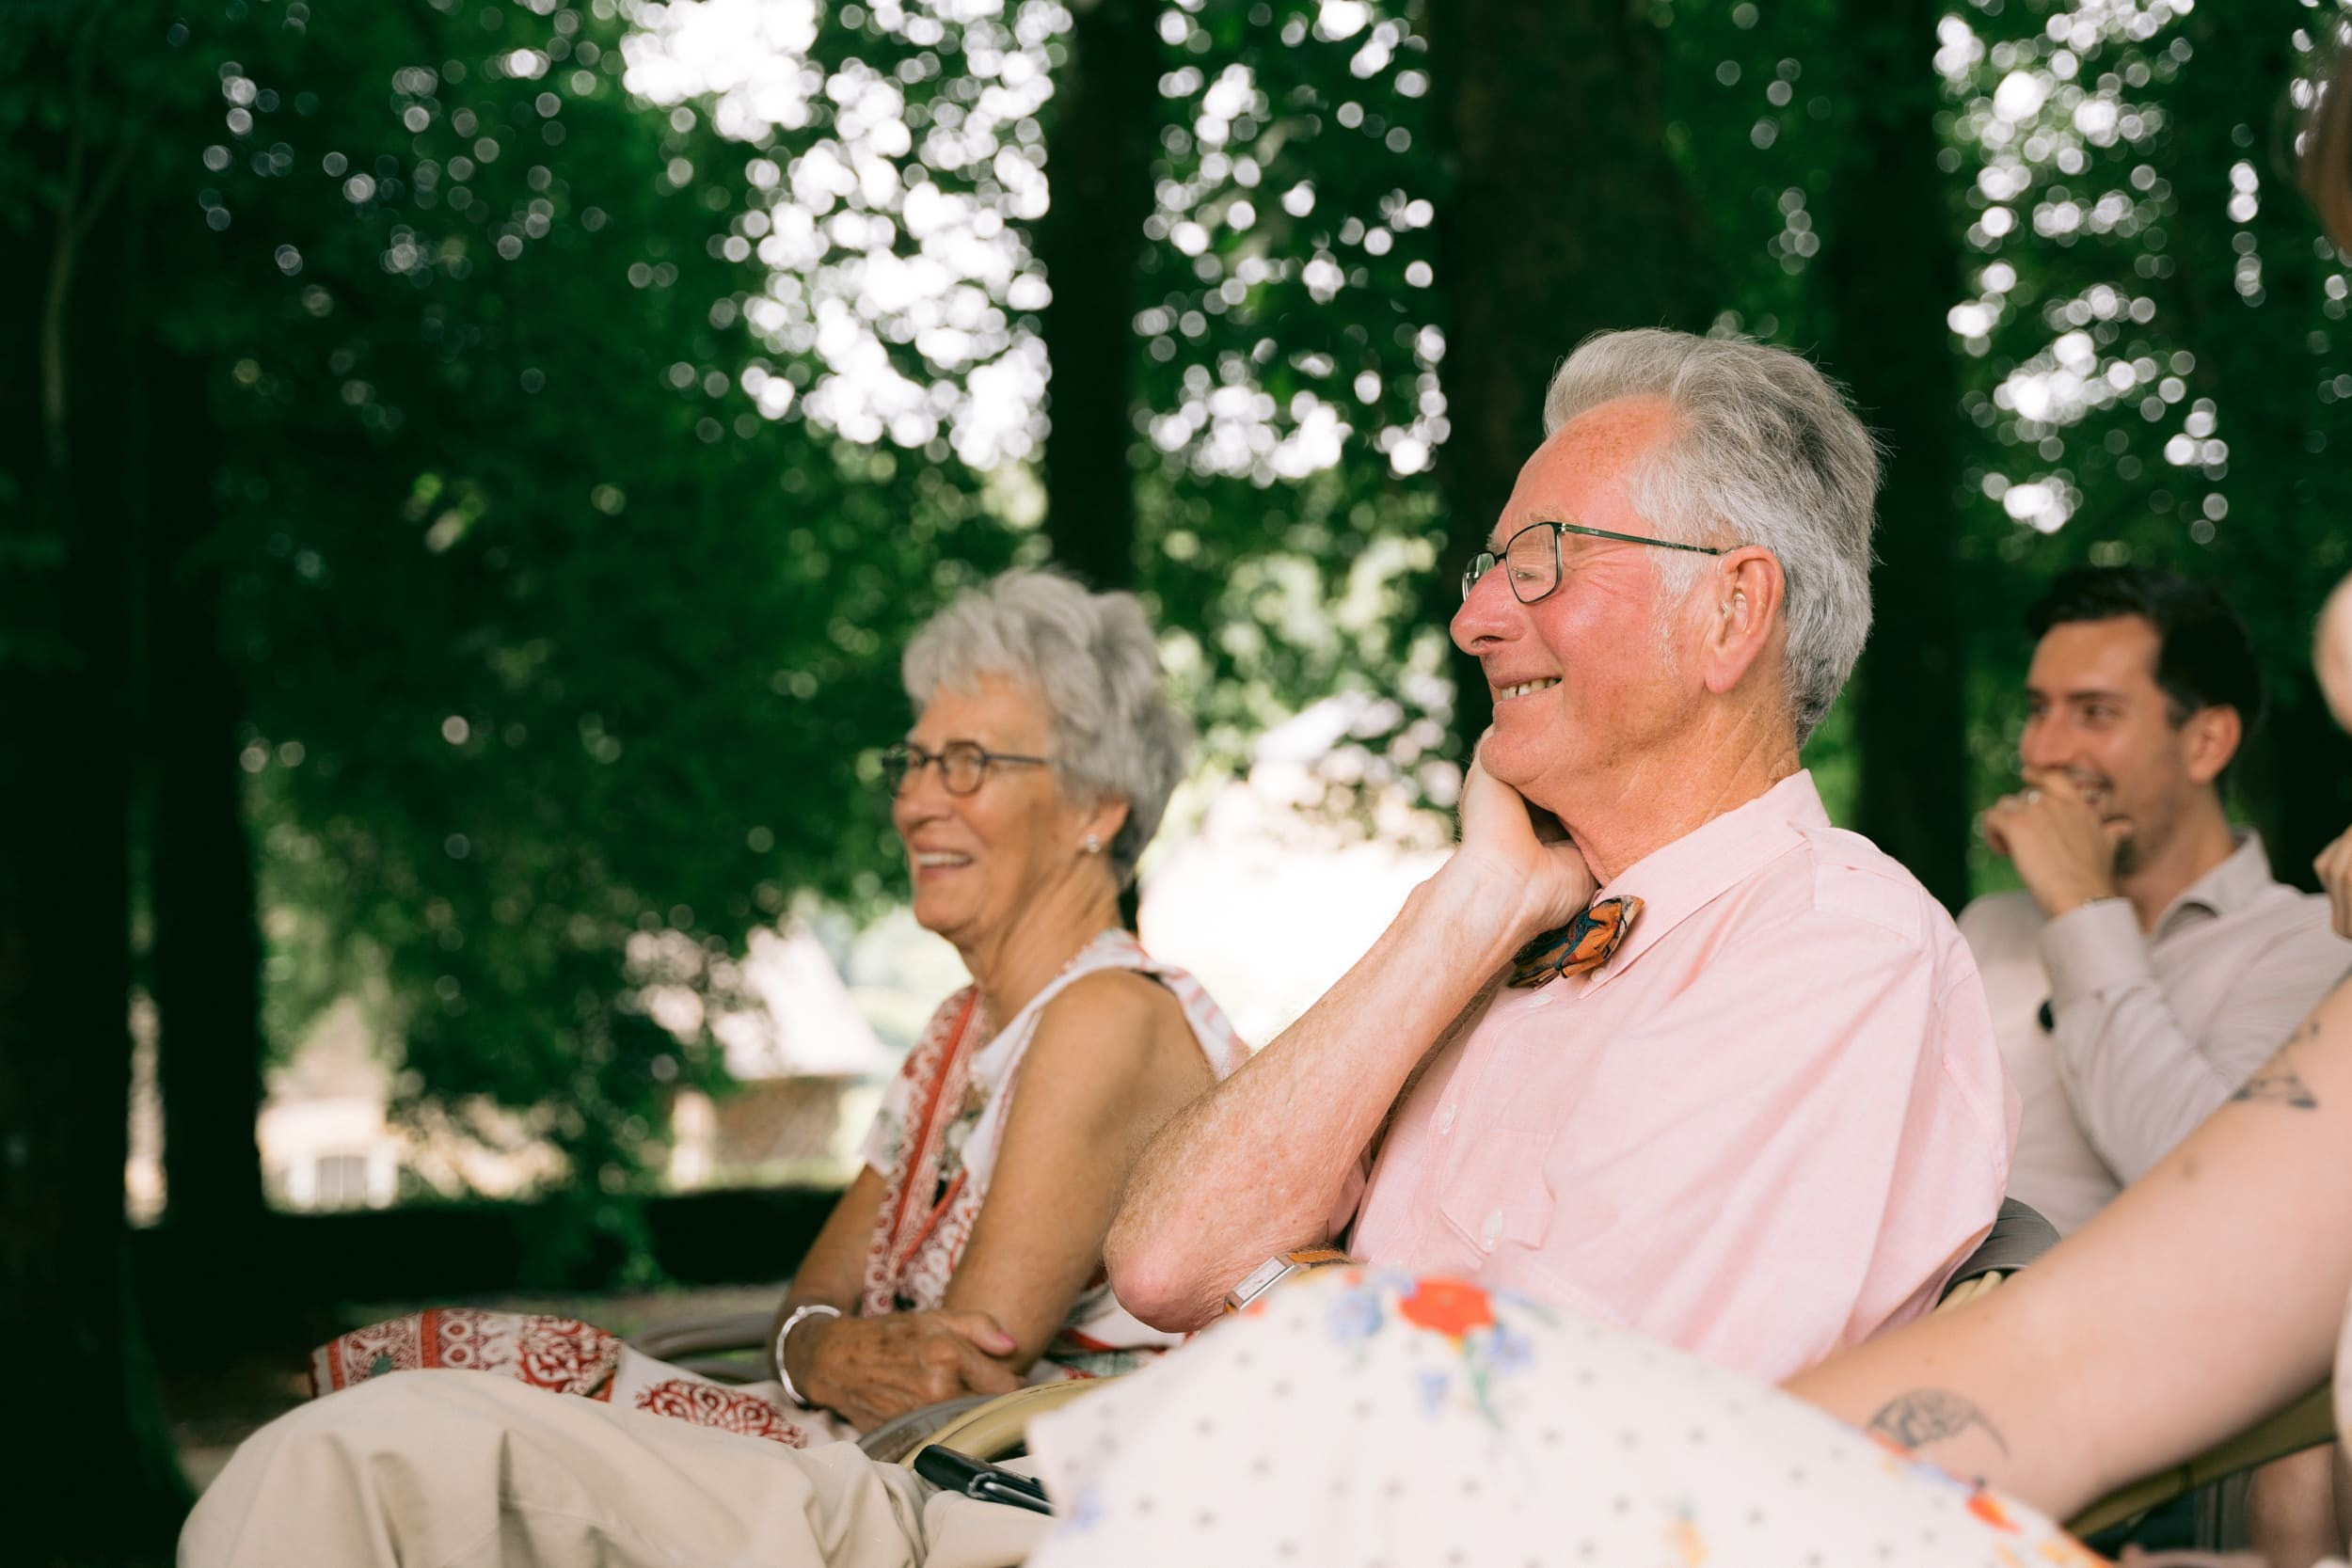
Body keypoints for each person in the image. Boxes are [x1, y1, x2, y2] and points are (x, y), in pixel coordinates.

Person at [1107, 326, 2016, 1383]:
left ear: (1731, 610)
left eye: (1541, 562)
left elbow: (1555, 1414)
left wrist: (1278, 1295)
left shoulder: (1831, 943)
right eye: (1490, 566)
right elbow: (1166, 1263)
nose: (1471, 619)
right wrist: (1468, 903)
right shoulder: (1511, 928)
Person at [303, 568, 1248, 1450]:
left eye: (966, 762)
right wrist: (820, 1350)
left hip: (994, 1501)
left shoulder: (1105, 1019)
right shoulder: (960, 1031)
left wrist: (817, 1350)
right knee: (382, 1416)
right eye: (910, 762)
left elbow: (955, 1380)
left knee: (401, 1440)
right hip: (869, 1466)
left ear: (1098, 808)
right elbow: (809, 1309)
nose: (916, 800)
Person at [1960, 566, 2349, 1237]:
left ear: (2206, 743)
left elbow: (2217, 1189)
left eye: (2095, 713)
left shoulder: (2313, 943)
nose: (2042, 751)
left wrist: (2082, 906)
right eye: (2037, 709)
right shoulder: (1988, 927)